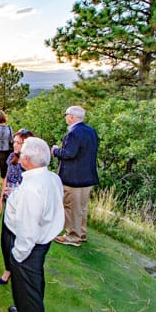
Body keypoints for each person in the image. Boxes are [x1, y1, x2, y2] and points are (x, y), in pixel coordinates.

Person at [4, 137, 64, 312]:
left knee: (28, 290)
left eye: (22, 153)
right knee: (31, 285)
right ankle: (24, 310)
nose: (19, 155)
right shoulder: (52, 178)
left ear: (27, 159)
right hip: (41, 243)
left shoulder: (32, 188)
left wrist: (17, 255)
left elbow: (28, 231)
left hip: (28, 248)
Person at [52, 106, 99, 247]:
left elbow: (69, 154)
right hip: (87, 176)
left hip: (73, 177)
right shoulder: (91, 131)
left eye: (66, 115)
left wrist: (55, 151)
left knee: (71, 207)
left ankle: (72, 236)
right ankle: (81, 233)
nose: (66, 117)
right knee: (82, 208)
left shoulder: (74, 133)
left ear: (72, 117)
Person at [0, 129, 34, 285]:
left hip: (24, 207)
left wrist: (17, 190)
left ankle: (18, 271)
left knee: (19, 241)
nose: (15, 145)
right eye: (15, 142)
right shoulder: (12, 157)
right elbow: (6, 178)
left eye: (19, 142)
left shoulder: (31, 163)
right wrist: (0, 200)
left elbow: (32, 187)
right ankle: (8, 270)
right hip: (10, 204)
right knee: (5, 240)